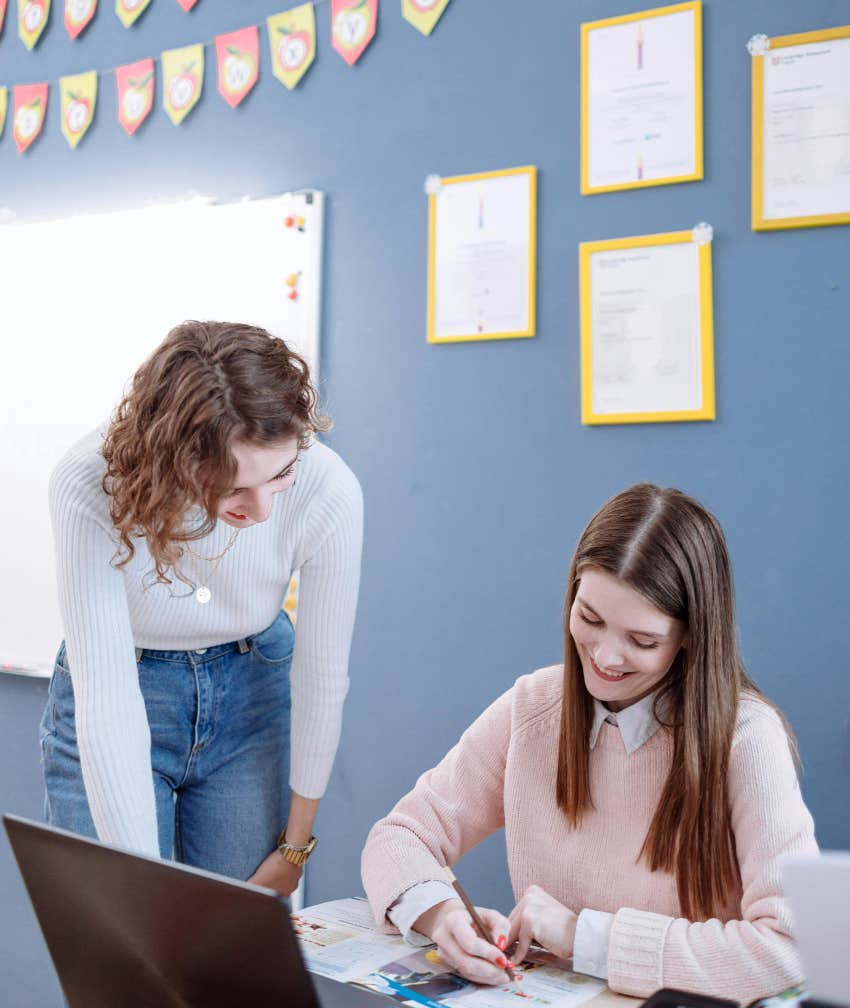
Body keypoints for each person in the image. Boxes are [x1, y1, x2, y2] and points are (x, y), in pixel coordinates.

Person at [361, 484, 817, 1003]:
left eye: (642, 641)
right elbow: (400, 834)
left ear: (691, 635)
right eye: (590, 619)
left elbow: (793, 946)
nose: (605, 656)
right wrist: (440, 914)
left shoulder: (746, 738)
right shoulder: (533, 708)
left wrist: (584, 937)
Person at [43, 320, 363, 896]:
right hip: (124, 685)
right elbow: (108, 701)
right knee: (122, 941)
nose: (263, 509)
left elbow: (322, 678)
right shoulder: (89, 482)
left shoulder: (329, 487)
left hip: (253, 692)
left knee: (237, 954)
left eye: (280, 474)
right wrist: (140, 906)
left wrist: (296, 846)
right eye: (231, 488)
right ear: (174, 465)